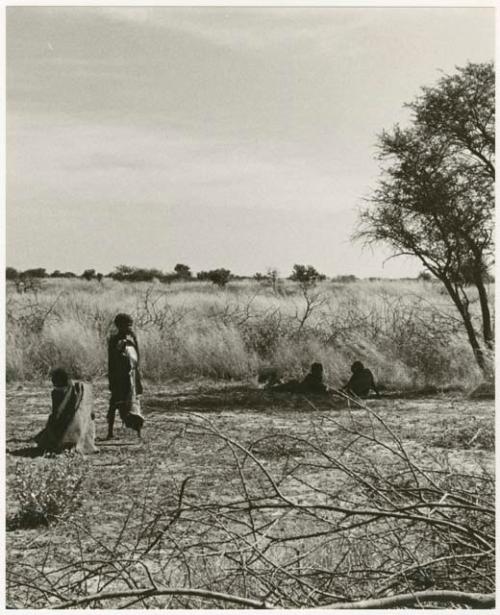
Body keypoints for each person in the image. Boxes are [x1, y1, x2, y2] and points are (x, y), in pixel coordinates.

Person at [34, 368, 97, 454]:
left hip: (78, 426)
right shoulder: (77, 388)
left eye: (57, 386)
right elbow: (57, 413)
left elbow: (59, 413)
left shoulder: (75, 390)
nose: (56, 388)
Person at [107, 313, 144, 439]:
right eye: (126, 326)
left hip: (132, 375)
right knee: (115, 404)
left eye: (130, 325)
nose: (129, 328)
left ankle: (139, 432)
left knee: (134, 402)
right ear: (119, 326)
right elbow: (113, 361)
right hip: (119, 378)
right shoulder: (114, 340)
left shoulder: (131, 340)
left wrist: (136, 341)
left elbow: (137, 358)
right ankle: (110, 432)